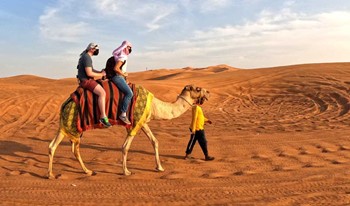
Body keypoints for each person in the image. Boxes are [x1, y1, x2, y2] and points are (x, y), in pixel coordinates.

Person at [76, 42, 111, 127]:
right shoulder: (87, 57)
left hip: (85, 80)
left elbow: (91, 69)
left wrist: (100, 72)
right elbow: (89, 73)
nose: (97, 51)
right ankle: (103, 116)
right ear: (92, 49)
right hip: (86, 81)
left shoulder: (85, 57)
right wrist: (101, 75)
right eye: (96, 49)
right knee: (102, 93)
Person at [110, 40, 134, 124]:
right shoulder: (122, 57)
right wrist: (124, 74)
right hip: (118, 77)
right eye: (129, 47)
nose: (130, 49)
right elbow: (116, 68)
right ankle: (123, 114)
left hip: (120, 77)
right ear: (125, 47)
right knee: (129, 93)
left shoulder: (121, 55)